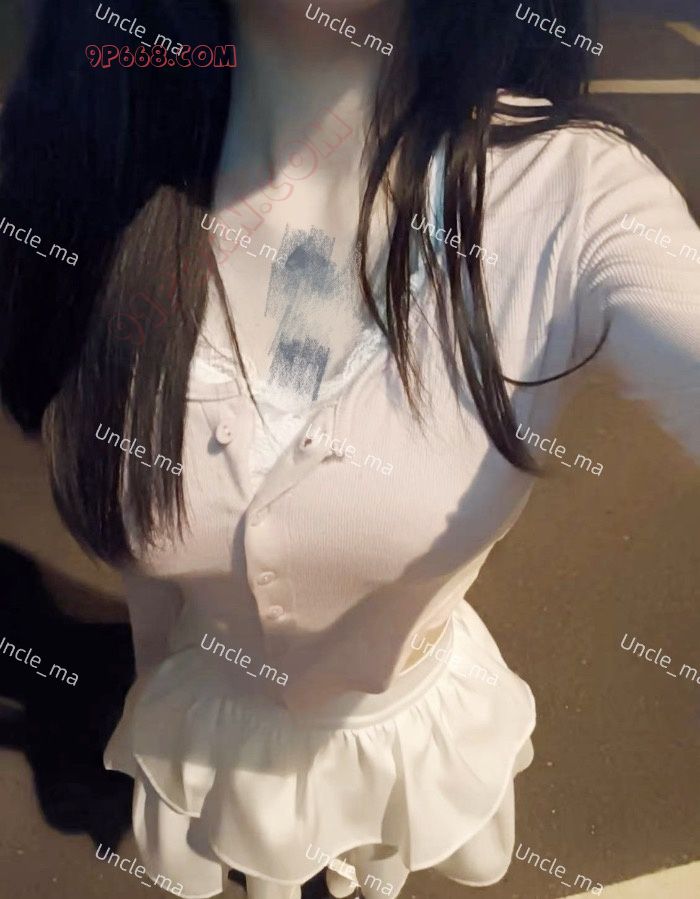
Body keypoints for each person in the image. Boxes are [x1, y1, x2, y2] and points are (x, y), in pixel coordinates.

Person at [0, 1, 698, 897]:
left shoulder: (572, 197)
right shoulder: (80, 177)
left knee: (376, 863)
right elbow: (147, 563)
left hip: (407, 719)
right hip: (212, 719)